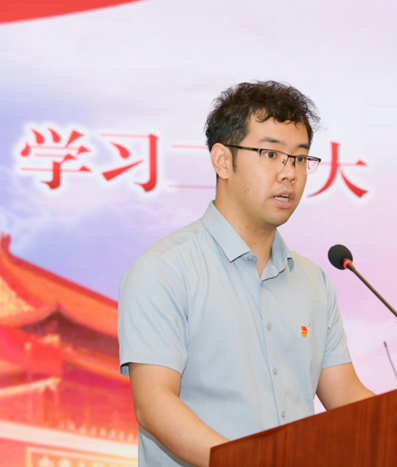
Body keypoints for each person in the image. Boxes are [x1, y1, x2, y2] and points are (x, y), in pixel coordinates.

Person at [118, 81, 374, 467]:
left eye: (300, 158)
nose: (289, 173)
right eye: (271, 154)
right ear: (223, 160)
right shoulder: (164, 271)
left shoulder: (314, 282)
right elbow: (155, 405)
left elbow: (347, 396)